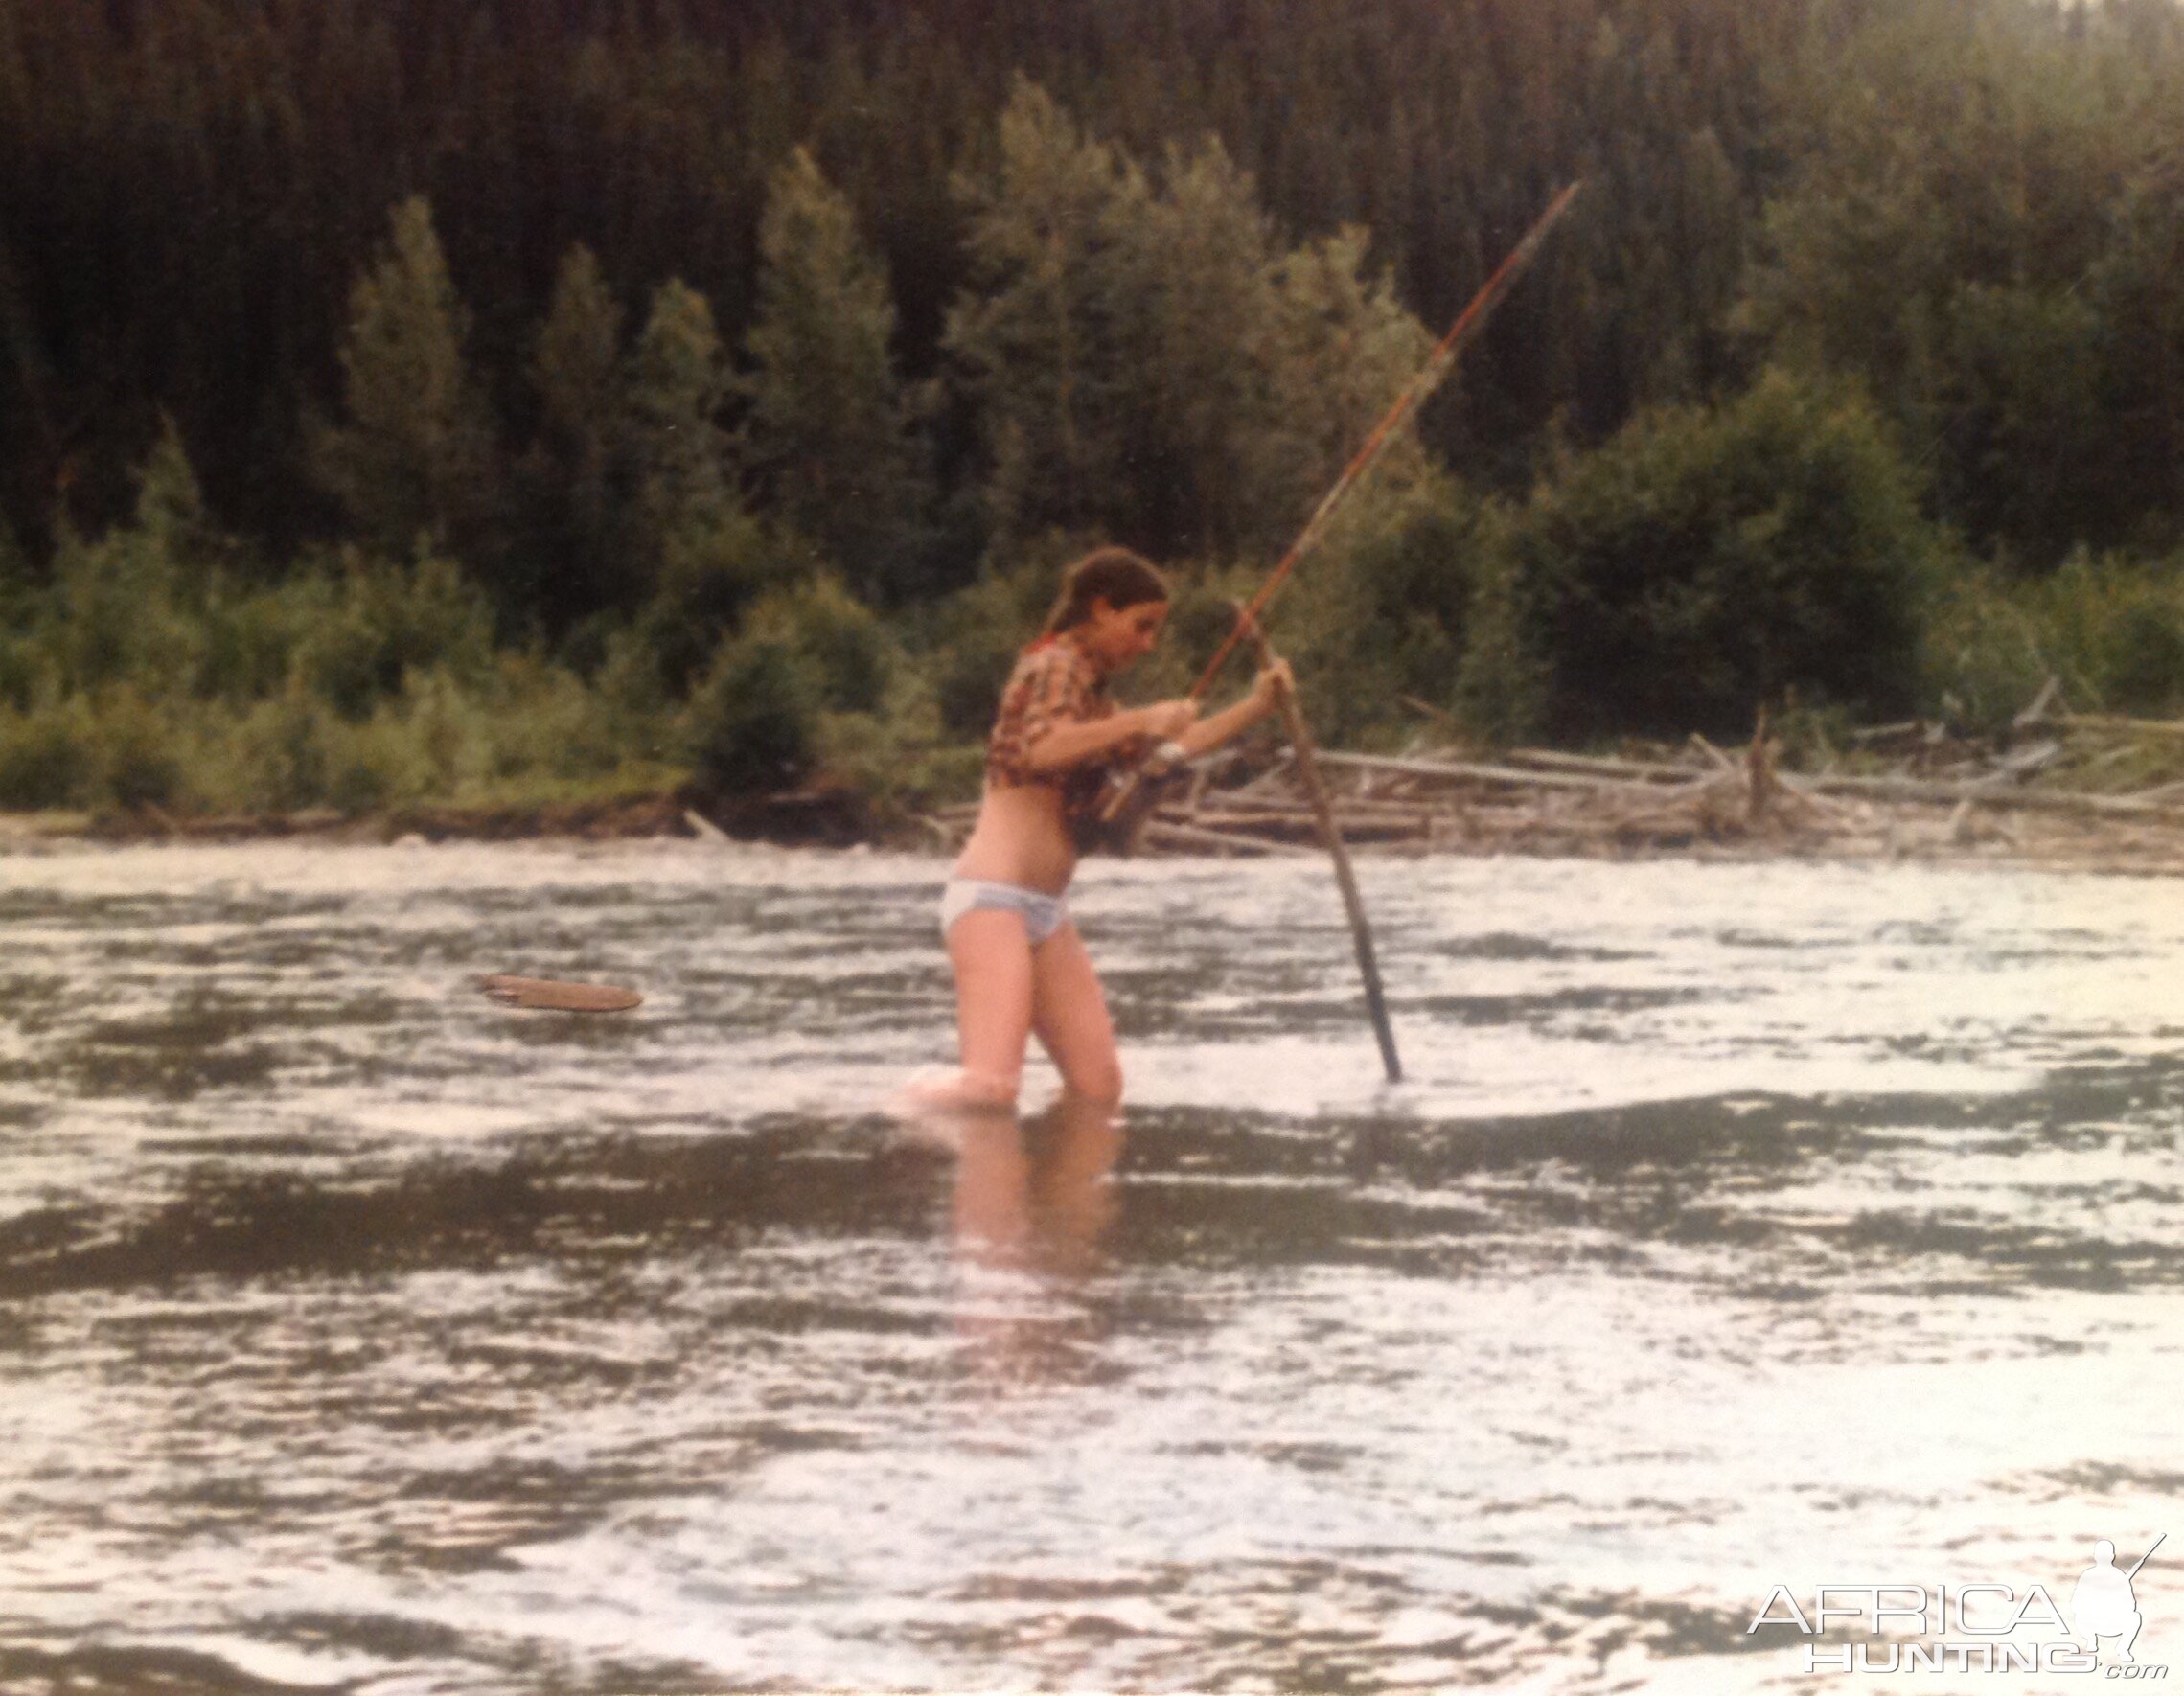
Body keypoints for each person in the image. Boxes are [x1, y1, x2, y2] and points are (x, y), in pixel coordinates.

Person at [903, 546, 1291, 1113]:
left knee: (1098, 1089)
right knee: (990, 1090)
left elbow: (1170, 750)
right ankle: (894, 1112)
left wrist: (1257, 706)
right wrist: (1141, 718)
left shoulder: (1096, 694)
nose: (1147, 643)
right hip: (991, 901)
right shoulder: (1054, 663)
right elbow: (1041, 749)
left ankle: (1064, 1205)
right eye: (1142, 627)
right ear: (1102, 609)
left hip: (1043, 911)